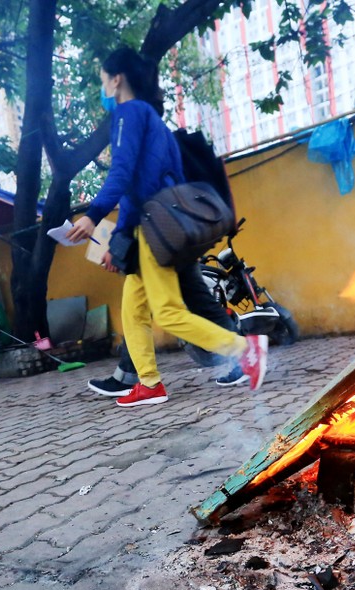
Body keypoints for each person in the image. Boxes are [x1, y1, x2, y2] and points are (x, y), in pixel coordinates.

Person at [65, 46, 267, 407]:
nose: (103, 88)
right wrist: (121, 238)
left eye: (103, 80)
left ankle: (244, 350)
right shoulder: (154, 120)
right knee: (133, 309)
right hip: (159, 226)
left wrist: (93, 215)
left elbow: (123, 176)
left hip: (153, 232)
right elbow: (147, 184)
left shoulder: (128, 113)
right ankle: (149, 383)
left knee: (169, 312)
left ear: (117, 79)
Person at [86, 260, 245, 397]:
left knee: (168, 314)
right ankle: (141, 380)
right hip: (163, 243)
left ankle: (244, 351)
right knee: (139, 312)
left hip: (155, 245)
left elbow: (133, 223)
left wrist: (115, 245)